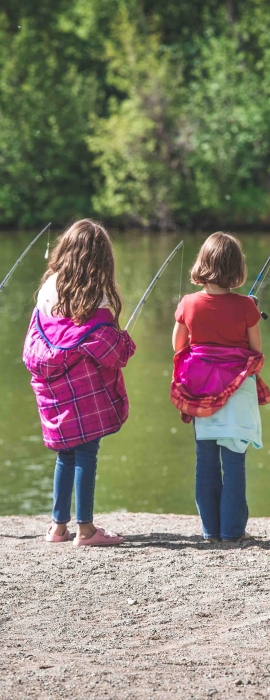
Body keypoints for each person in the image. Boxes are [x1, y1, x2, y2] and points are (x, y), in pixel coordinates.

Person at [23, 219, 136, 546]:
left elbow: (39, 336)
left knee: (65, 455)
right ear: (101, 259)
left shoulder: (48, 288)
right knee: (86, 454)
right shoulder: (97, 298)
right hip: (85, 396)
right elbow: (113, 353)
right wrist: (123, 339)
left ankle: (58, 528)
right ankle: (85, 529)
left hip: (55, 391)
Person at [171, 232, 270, 542]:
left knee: (205, 462)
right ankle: (232, 531)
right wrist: (249, 311)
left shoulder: (188, 303)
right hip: (237, 392)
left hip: (201, 390)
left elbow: (178, 346)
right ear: (237, 268)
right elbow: (256, 352)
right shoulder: (245, 306)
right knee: (234, 462)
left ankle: (210, 530)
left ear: (203, 263)